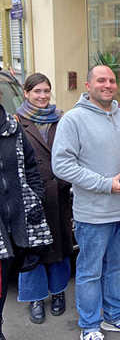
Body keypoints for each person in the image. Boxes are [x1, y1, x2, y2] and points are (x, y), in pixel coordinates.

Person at [52, 65, 120, 340]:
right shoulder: (73, 120)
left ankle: (115, 315)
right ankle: (90, 324)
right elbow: (62, 165)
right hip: (93, 214)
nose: (107, 85)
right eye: (100, 80)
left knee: (117, 267)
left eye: (111, 80)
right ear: (88, 84)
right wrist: (105, 184)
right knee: (90, 272)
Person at [16, 73, 73, 324]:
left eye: (46, 91)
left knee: (59, 248)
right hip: (30, 199)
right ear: (26, 93)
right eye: (37, 91)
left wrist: (66, 182)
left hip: (59, 195)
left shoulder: (62, 119)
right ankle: (36, 297)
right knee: (33, 250)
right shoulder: (15, 122)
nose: (42, 96)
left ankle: (58, 293)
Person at [0, 102, 52, 339]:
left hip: (19, 221)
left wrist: (36, 198)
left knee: (3, 280)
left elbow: (31, 166)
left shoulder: (13, 127)